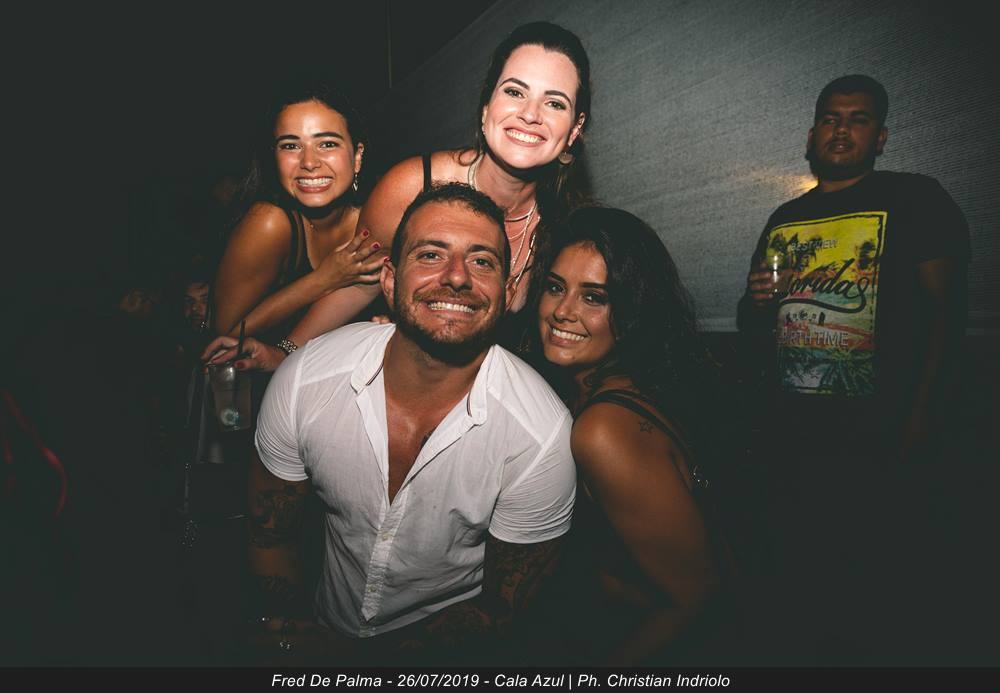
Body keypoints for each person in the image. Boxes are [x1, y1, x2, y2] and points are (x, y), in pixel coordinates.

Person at [243, 183, 576, 666]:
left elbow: (500, 611)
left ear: (506, 294)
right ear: (389, 279)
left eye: (482, 261)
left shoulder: (540, 437)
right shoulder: (306, 380)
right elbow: (269, 536)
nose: (457, 276)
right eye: (430, 255)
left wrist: (354, 660)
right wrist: (289, 639)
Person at [737, 74, 969, 663]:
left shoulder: (915, 198)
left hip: (879, 431)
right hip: (791, 434)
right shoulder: (786, 216)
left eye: (857, 118)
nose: (841, 130)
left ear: (880, 137)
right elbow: (753, 322)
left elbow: (946, 314)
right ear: (812, 135)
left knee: (878, 591)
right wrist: (757, 301)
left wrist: (925, 412)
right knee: (797, 581)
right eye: (830, 118)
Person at [210, 21, 593, 372]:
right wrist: (284, 352)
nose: (530, 114)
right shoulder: (410, 186)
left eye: (554, 103)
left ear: (574, 130)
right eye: (514, 92)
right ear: (486, 107)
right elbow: (360, 282)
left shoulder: (568, 223)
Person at [527, 206, 733, 666]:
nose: (563, 311)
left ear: (633, 308)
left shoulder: (604, 429)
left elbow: (696, 595)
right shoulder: (614, 388)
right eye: (555, 287)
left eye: (594, 297)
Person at [208, 80, 385, 347]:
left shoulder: (379, 219)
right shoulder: (270, 223)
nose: (309, 163)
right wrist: (323, 279)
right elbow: (226, 333)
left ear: (357, 156)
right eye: (291, 146)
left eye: (327, 144)